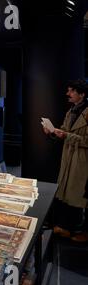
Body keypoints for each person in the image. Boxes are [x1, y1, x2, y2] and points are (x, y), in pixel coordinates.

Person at [43, 80, 88, 242]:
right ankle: (68, 227)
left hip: (82, 161)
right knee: (68, 193)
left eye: (72, 91)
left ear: (82, 94)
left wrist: (67, 135)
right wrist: (52, 132)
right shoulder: (72, 111)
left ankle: (82, 231)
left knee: (81, 195)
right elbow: (65, 130)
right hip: (70, 157)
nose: (68, 94)